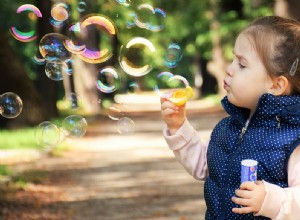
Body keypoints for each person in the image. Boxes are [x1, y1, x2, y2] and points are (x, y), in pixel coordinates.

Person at [160, 16, 300, 220]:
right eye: (233, 59)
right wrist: (178, 126)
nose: (229, 68)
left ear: (276, 85)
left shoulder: (292, 139)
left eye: (242, 65)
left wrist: (270, 200)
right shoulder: (228, 127)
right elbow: (204, 167)